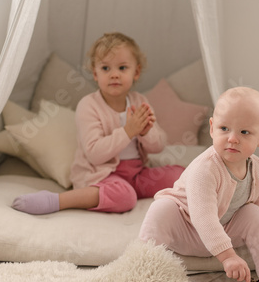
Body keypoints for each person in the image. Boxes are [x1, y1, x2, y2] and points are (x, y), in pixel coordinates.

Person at [139, 86, 259, 282]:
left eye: (244, 132)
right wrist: (228, 257)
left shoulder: (256, 167)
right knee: (161, 208)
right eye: (224, 128)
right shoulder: (205, 169)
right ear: (212, 128)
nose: (233, 138)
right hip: (186, 229)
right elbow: (203, 218)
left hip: (225, 228)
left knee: (255, 212)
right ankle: (145, 262)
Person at [12, 32, 184, 215]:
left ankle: (136, 189)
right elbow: (94, 154)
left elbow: (158, 146)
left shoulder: (139, 101)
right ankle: (57, 200)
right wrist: (128, 131)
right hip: (100, 175)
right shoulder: (88, 106)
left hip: (136, 174)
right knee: (125, 197)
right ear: (95, 73)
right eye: (105, 68)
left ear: (136, 72)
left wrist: (146, 133)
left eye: (123, 68)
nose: (114, 75)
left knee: (180, 175)